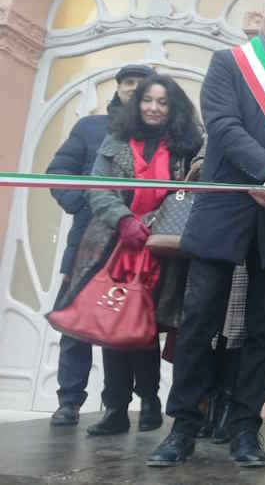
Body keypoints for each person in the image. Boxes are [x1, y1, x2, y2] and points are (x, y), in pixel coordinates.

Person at [147, 0, 265, 468]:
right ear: (260, 19)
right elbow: (223, 127)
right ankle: (183, 426)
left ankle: (246, 428)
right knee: (199, 321)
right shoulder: (228, 64)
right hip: (225, 212)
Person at [54, 74, 203, 437]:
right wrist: (123, 220)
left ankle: (149, 398)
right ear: (137, 105)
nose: (153, 108)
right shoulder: (116, 139)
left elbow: (192, 192)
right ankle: (117, 408)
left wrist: (153, 223)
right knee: (114, 324)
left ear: (174, 107)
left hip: (164, 248)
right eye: (147, 101)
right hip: (114, 246)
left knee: (146, 326)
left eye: (162, 102)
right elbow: (99, 188)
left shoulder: (188, 146)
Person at [46, 64, 153, 426]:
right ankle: (69, 401)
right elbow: (59, 172)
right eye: (128, 83)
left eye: (142, 85)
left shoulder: (159, 133)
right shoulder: (90, 127)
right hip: (87, 241)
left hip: (132, 244)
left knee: (119, 322)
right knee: (75, 322)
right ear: (119, 88)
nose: (134, 90)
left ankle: (115, 406)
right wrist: (84, 205)